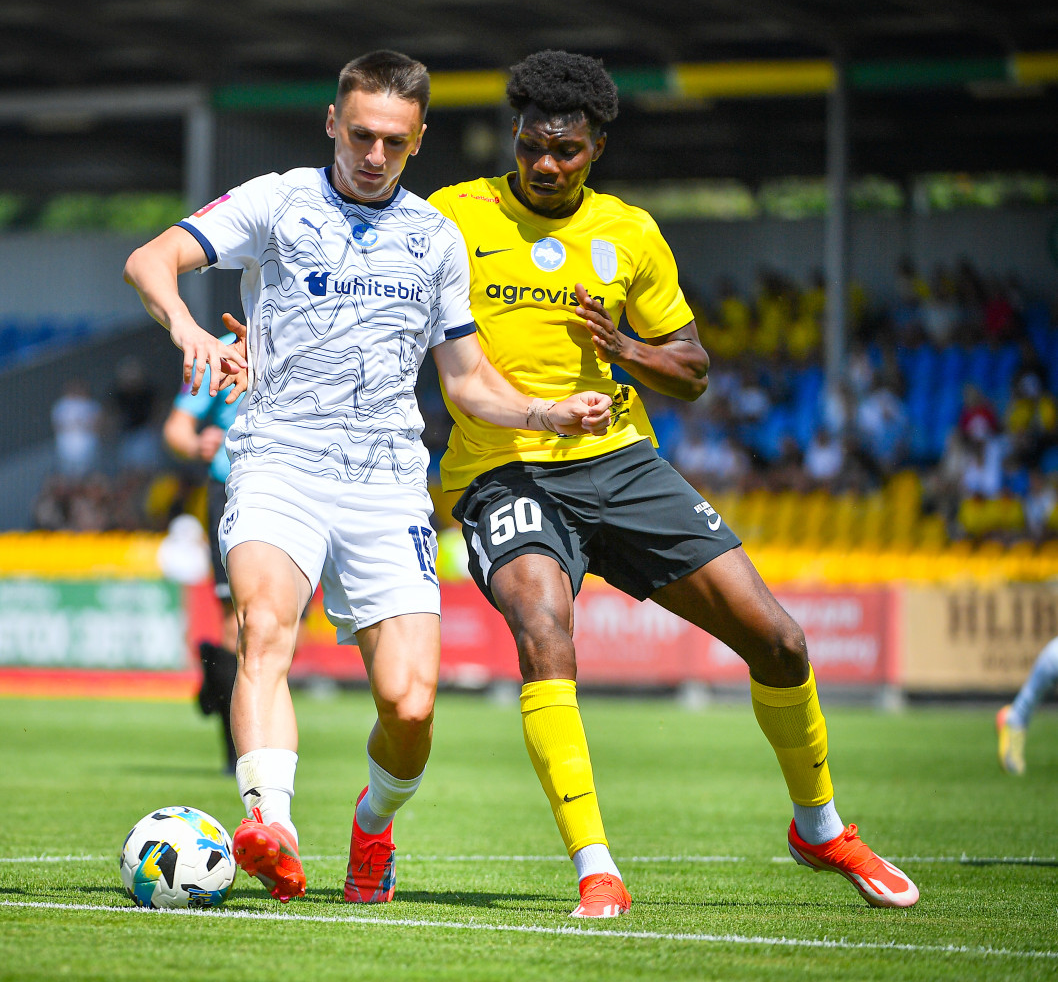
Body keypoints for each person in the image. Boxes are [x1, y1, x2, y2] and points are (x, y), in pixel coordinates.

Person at [428, 49, 919, 918]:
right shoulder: (451, 215)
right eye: (533, 145)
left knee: (780, 641)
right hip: (504, 468)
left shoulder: (631, 233)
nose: (547, 163)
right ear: (514, 134)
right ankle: (596, 867)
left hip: (621, 462)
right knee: (543, 625)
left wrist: (626, 349)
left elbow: (692, 371)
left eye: (567, 150)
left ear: (597, 147)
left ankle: (820, 827)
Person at [123, 50, 611, 906]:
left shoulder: (436, 238)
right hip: (278, 458)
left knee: (411, 706)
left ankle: (373, 821)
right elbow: (150, 259)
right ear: (332, 123)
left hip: (387, 484)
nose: (373, 154)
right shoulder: (276, 202)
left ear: (418, 140)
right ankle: (271, 823)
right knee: (264, 628)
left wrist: (547, 413)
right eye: (359, 135)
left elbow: (465, 379)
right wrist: (187, 329)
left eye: (393, 140)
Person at [163, 333, 246, 776]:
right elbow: (176, 429)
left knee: (285, 631)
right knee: (240, 619)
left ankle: (217, 676)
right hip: (233, 491)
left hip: (302, 491)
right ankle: (238, 754)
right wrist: (197, 445)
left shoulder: (320, 329)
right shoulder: (220, 351)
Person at [997, 638, 1058, 775]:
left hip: (1051, 653)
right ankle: (1011, 721)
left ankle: (1010, 719)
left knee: (1029, 699)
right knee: (1028, 700)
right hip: (1053, 657)